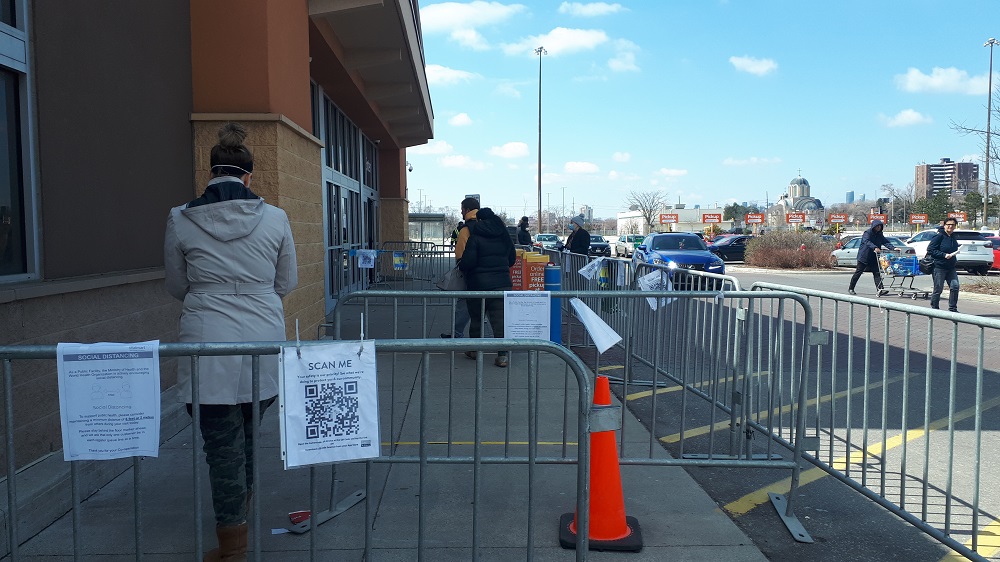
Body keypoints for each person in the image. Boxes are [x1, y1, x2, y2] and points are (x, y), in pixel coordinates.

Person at [164, 123, 298, 561]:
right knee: (249, 431)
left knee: (220, 443)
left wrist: (211, 296)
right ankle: (240, 512)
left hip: (207, 337)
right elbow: (287, 281)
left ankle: (232, 540)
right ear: (248, 176)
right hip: (263, 333)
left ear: (210, 173)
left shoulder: (181, 217)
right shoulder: (275, 218)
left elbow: (176, 285)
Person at [456, 197, 516, 367]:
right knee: (499, 321)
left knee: (476, 319)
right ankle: (502, 355)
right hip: (502, 284)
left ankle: (475, 350)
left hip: (478, 285)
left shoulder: (475, 236)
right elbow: (511, 259)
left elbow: (467, 262)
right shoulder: (504, 236)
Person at [847, 219, 894, 296]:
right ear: (873, 226)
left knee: (876, 273)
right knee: (858, 272)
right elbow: (867, 241)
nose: (878, 228)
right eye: (877, 226)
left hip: (874, 257)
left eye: (880, 226)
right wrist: (875, 247)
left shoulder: (880, 234)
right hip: (864, 256)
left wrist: (893, 248)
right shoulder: (867, 233)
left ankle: (880, 289)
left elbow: (885, 242)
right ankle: (851, 288)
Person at [927, 217, 961, 312]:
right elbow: (930, 250)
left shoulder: (953, 236)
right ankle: (935, 308)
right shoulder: (939, 236)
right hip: (939, 266)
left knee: (955, 286)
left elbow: (952, 249)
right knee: (938, 288)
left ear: (955, 226)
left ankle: (952, 308)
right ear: (944, 225)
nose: (950, 226)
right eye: (948, 224)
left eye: (952, 225)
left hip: (950, 267)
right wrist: (944, 255)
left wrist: (956, 253)